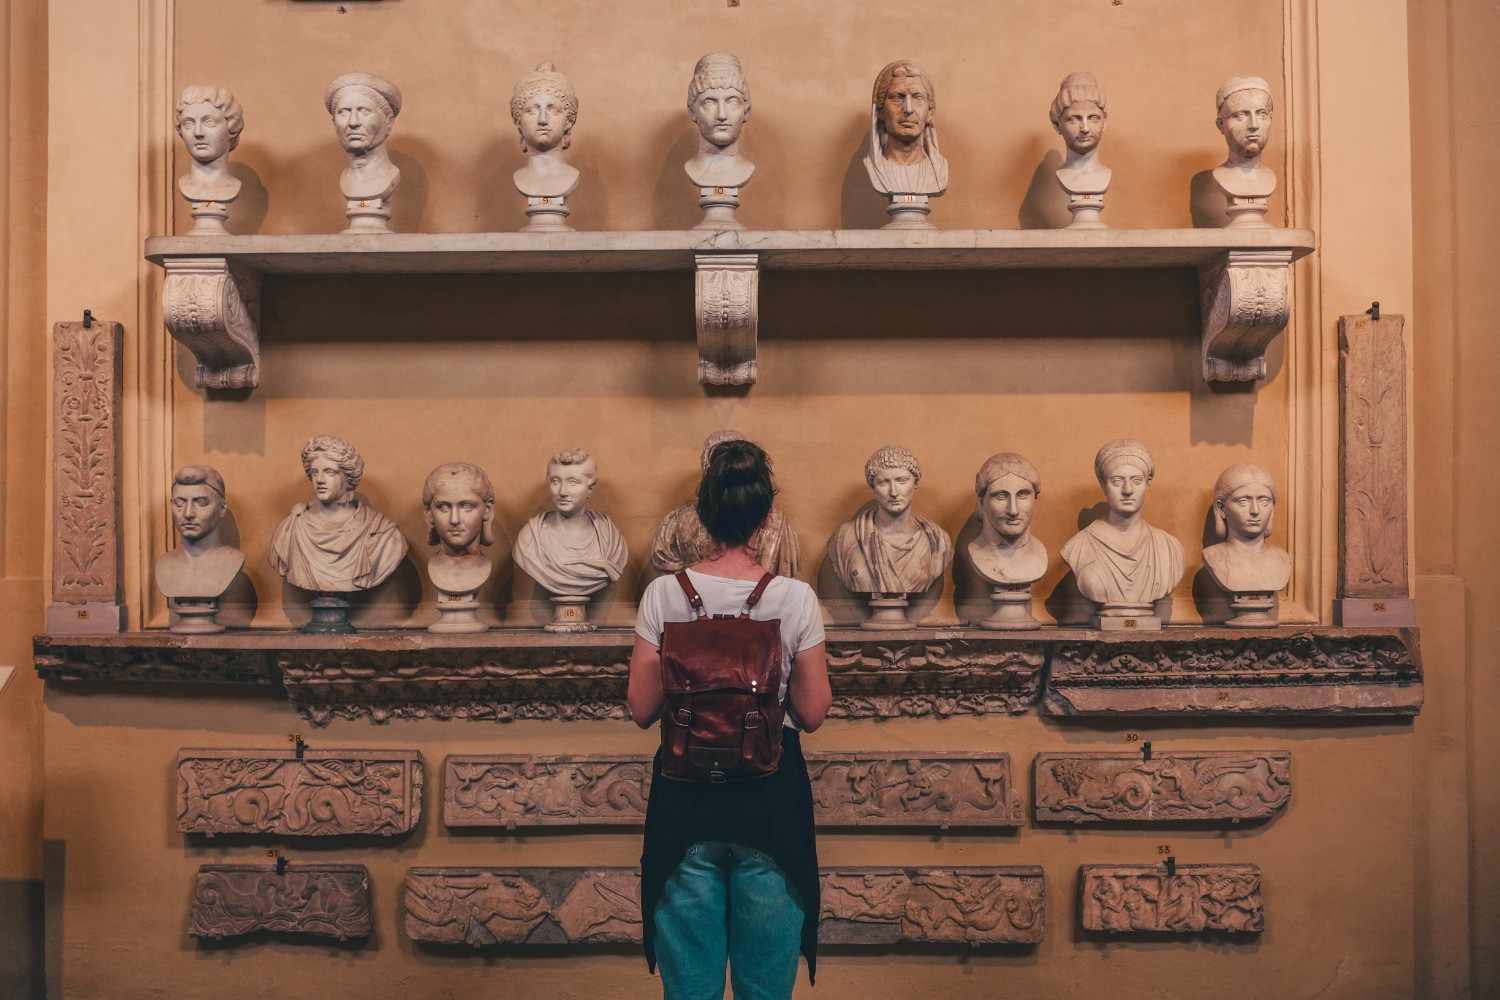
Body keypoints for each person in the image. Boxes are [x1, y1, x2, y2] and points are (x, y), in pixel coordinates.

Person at [629, 438, 832, 998]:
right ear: (766, 517)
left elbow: (642, 708)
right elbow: (813, 712)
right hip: (770, 805)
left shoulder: (662, 595)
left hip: (684, 804)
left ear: (704, 513)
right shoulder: (795, 598)